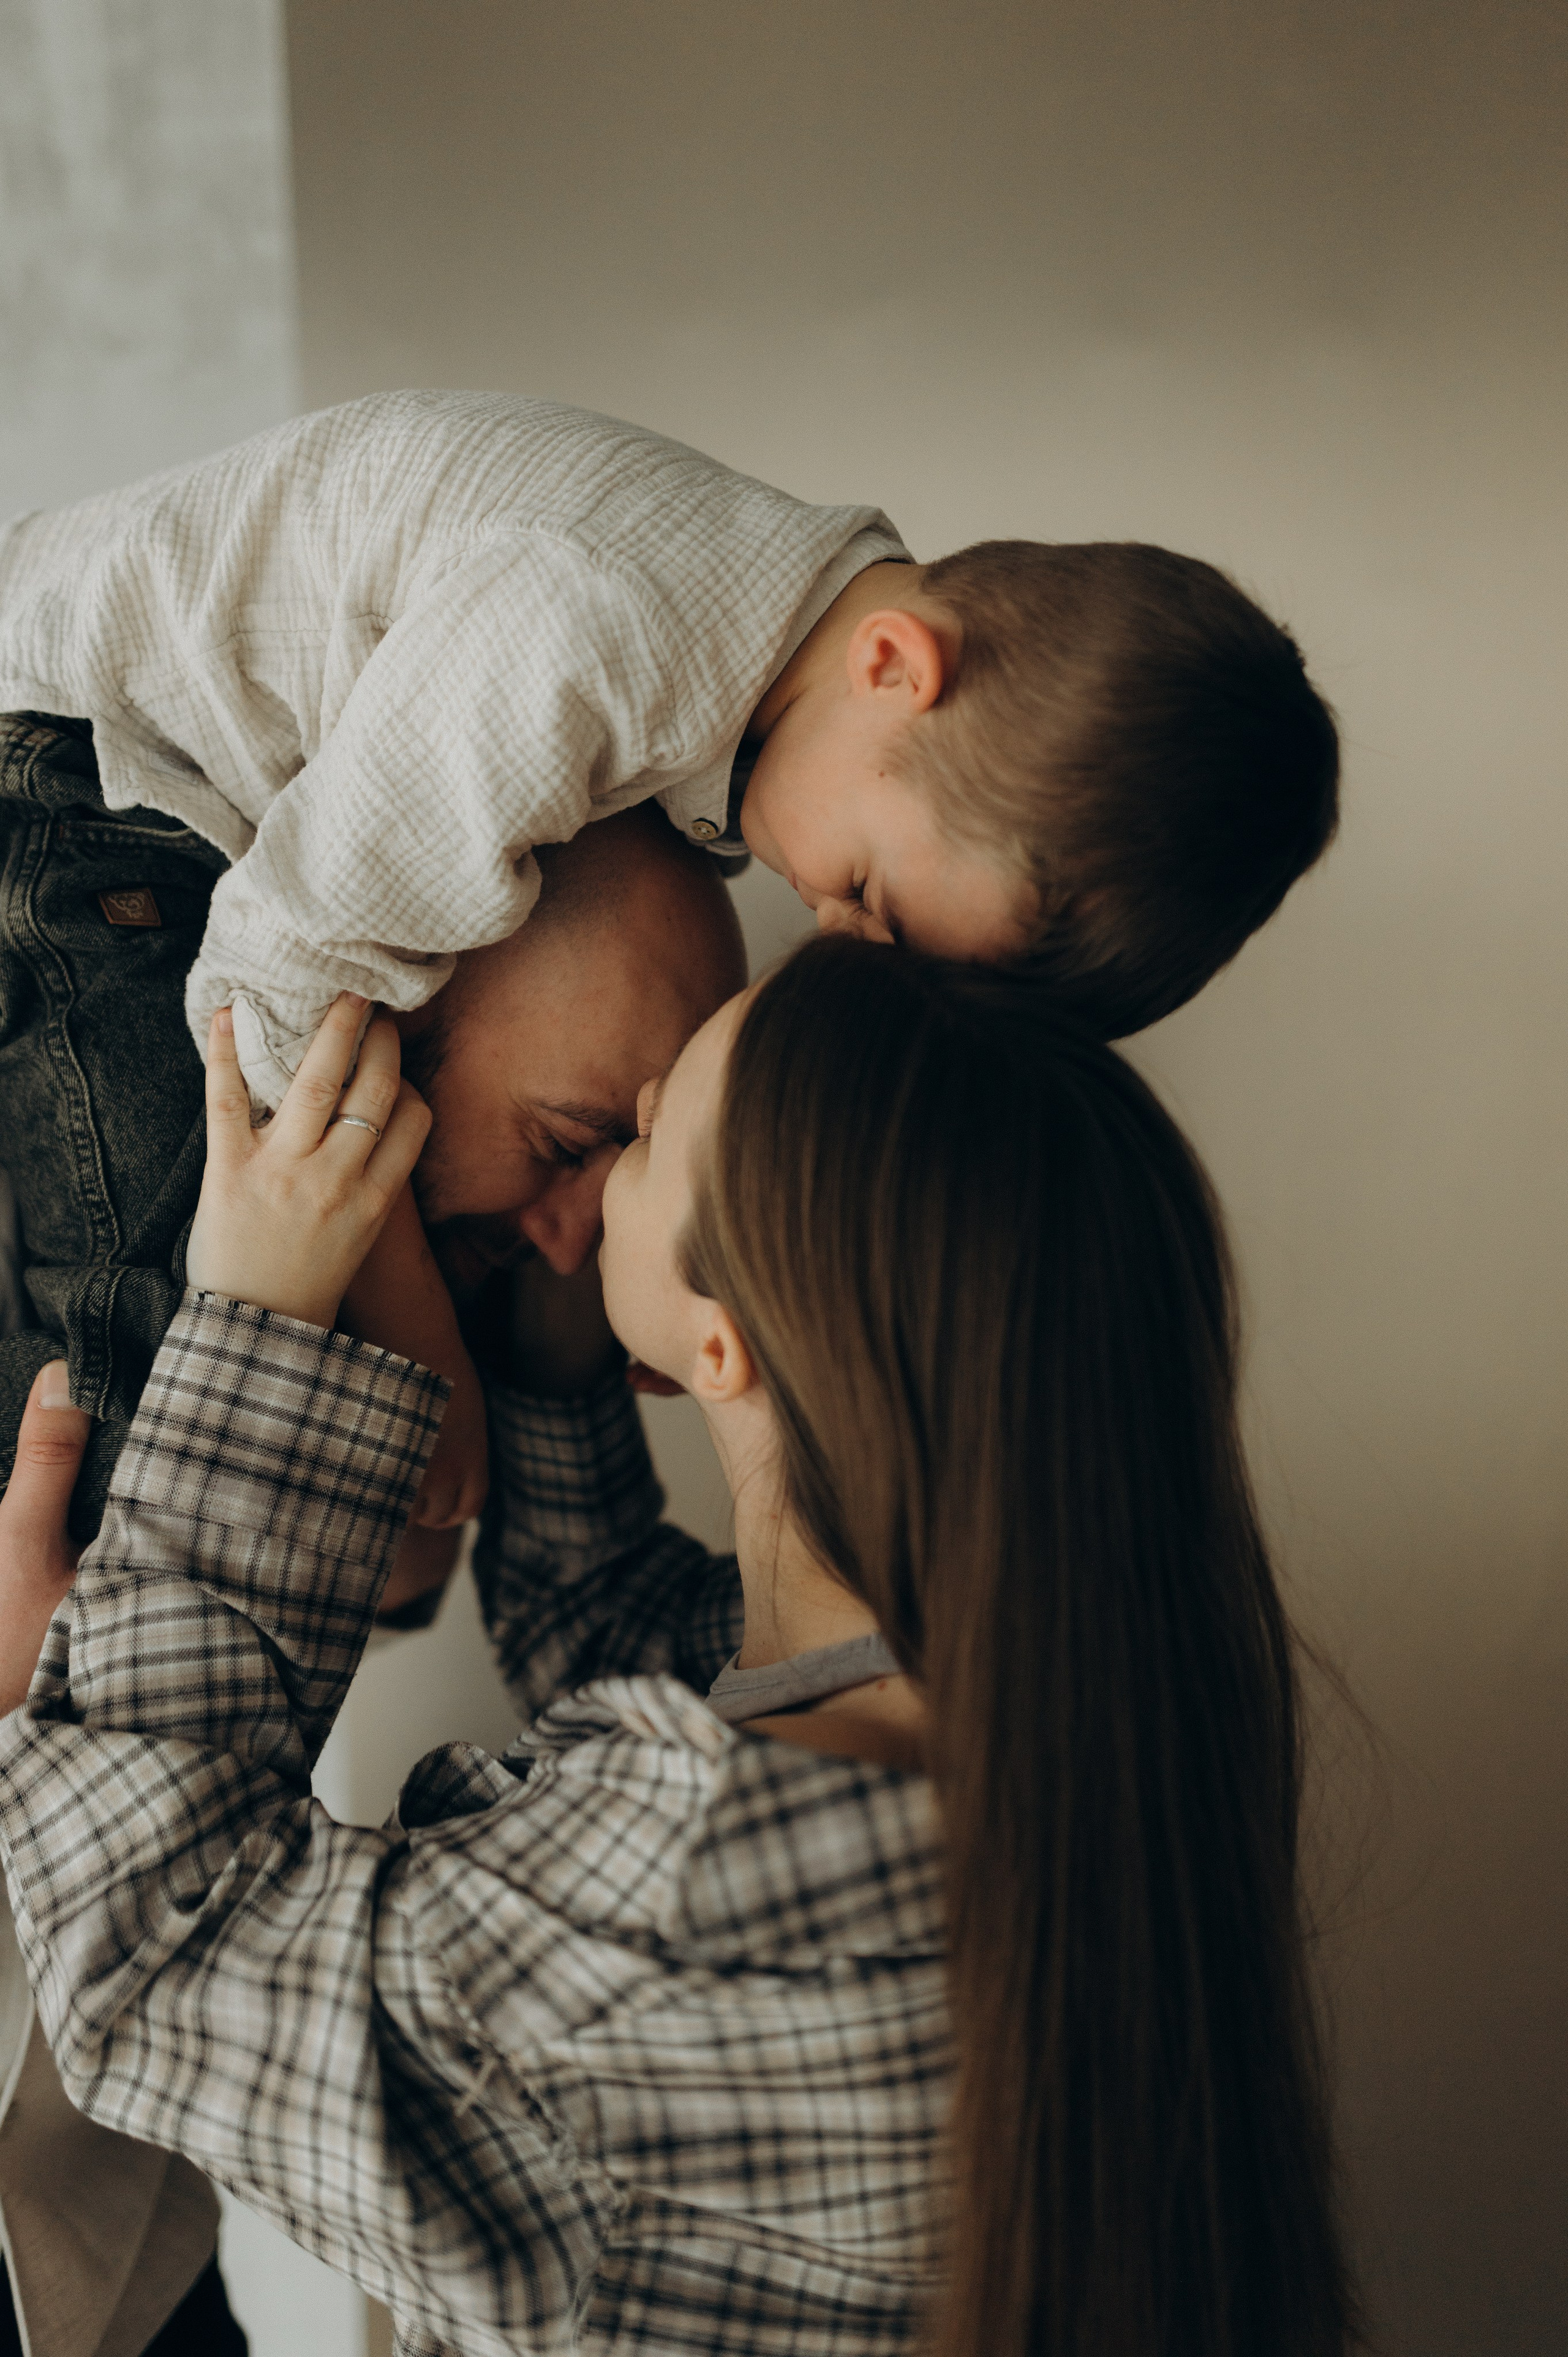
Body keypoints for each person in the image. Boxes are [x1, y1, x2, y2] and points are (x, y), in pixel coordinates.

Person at [0, 938, 1355, 2356]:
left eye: (636, 1142)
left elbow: (154, 1958)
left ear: (722, 1344)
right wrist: (562, 1347)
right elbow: (607, 1644)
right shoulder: (1042, 1727)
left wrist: (264, 1324)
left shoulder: (710, 1878)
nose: (574, 1201)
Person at [0, 388, 1341, 1555]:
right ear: (895, 668)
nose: (832, 939)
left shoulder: (716, 644)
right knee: (148, 1333)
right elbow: (274, 972)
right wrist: (420, 1346)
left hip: (124, 777)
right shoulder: (605, 634)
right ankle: (60, 1696)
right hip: (70, 760)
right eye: (864, 894)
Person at [0, 805, 744, 2352]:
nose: (580, 1217)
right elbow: (577, 1622)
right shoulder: (117, 1142)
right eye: (570, 1142)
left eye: (631, 1158)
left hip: (101, 2226)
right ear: (376, 1029)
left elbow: (413, 1604)